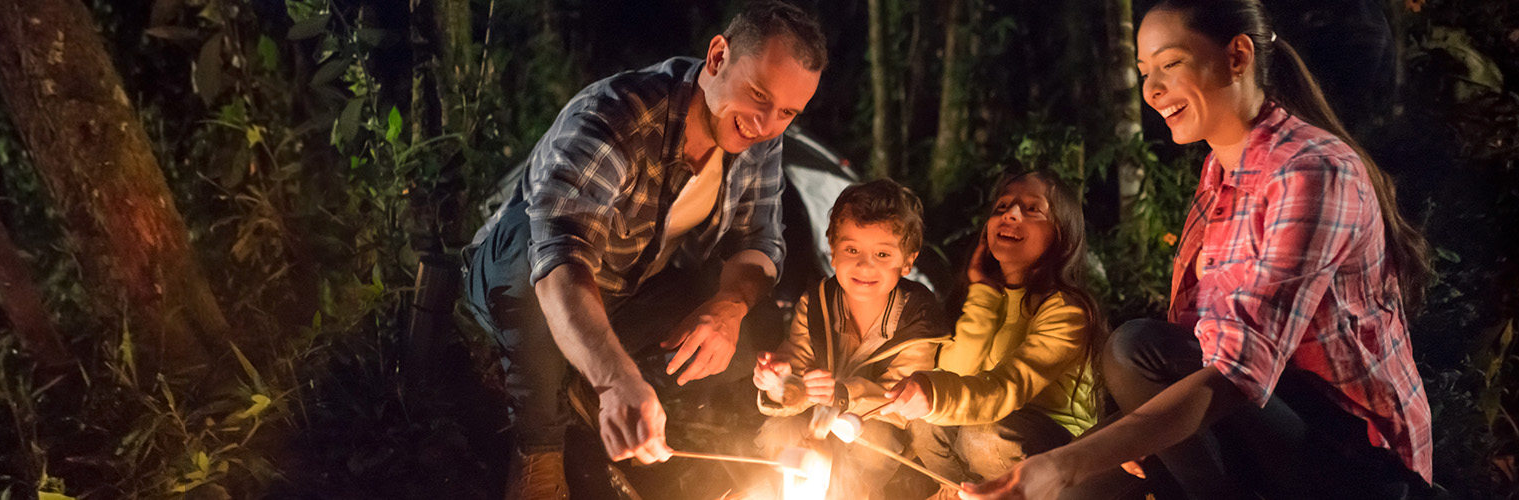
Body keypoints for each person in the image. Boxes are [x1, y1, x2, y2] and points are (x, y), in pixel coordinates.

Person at [962, 0, 1434, 499]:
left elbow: (1235, 373)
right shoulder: (1218, 175)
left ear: (1236, 57)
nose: (1152, 90)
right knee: (1074, 487)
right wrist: (1097, 453)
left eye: (1171, 64)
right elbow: (1197, 343)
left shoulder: (1311, 172)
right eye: (1145, 72)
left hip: (1357, 463)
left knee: (1133, 351)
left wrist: (1065, 464)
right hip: (1255, 421)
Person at [460, 2, 826, 499]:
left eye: (787, 112)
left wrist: (728, 307)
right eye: (759, 94)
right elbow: (558, 259)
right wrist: (616, 380)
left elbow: (759, 241)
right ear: (718, 57)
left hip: (624, 290)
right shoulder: (617, 116)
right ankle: (539, 448)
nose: (765, 124)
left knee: (754, 327)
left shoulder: (758, 139)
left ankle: (596, 398)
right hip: (522, 285)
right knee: (534, 247)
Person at [876, 171, 1103, 499]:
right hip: (989, 429)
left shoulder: (1067, 310)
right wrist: (982, 292)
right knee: (927, 422)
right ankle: (962, 492)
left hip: (1054, 446)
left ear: (1062, 234)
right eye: (1002, 206)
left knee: (983, 434)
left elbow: (1006, 387)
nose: (1010, 214)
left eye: (1032, 209)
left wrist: (936, 394)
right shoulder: (991, 296)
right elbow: (958, 373)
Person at [751, 179, 948, 500]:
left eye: (882, 254)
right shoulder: (816, 302)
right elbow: (797, 362)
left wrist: (841, 395)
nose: (864, 265)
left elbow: (901, 394)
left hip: (877, 422)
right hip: (816, 415)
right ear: (832, 250)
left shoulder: (918, 314)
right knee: (779, 433)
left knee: (871, 452)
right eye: (852, 249)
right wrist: (779, 382)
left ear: (908, 261)